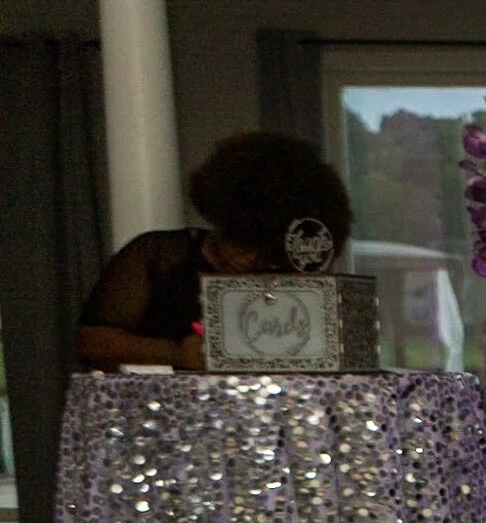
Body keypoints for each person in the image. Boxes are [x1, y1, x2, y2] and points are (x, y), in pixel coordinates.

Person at [78, 132, 354, 372]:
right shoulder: (159, 255)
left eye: (267, 253)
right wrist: (175, 353)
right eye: (242, 242)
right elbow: (90, 342)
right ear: (223, 218)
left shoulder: (294, 275)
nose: (251, 259)